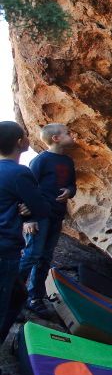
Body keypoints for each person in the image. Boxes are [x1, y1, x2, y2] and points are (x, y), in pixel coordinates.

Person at [0, 121, 49, 345]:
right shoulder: (20, 173)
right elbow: (41, 209)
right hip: (5, 249)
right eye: (26, 136)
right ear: (20, 142)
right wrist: (25, 209)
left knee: (18, 296)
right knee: (4, 306)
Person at [20, 123, 77, 316]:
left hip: (56, 215)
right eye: (68, 133)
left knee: (45, 258)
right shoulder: (41, 160)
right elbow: (28, 189)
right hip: (39, 217)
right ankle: (13, 294)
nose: (72, 136)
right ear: (56, 138)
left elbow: (72, 185)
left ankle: (34, 296)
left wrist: (69, 191)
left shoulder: (68, 162)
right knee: (32, 255)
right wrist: (28, 218)